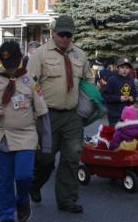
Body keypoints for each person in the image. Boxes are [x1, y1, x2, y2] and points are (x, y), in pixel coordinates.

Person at [0, 41, 51, 222]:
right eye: (5, 63)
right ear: (0, 61)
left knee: (24, 176)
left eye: (13, 63)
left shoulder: (31, 81)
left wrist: (47, 146)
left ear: (20, 59)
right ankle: (6, 216)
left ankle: (22, 199)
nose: (10, 68)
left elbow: (42, 114)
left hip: (26, 136)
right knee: (4, 181)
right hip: (0, 137)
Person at [27, 15, 94, 213]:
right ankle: (34, 184)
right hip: (47, 115)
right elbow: (29, 83)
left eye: (69, 35)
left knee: (72, 158)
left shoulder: (79, 55)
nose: (65, 39)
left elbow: (89, 80)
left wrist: (89, 101)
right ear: (53, 33)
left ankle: (67, 201)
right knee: (45, 159)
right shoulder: (40, 54)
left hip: (72, 116)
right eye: (62, 34)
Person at [102, 57, 137, 126]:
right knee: (115, 134)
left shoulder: (130, 80)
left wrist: (132, 98)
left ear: (129, 69)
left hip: (127, 115)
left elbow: (134, 95)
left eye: (127, 68)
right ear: (118, 68)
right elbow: (105, 96)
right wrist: (119, 98)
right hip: (114, 114)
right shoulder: (112, 80)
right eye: (122, 67)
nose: (124, 70)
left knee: (126, 135)